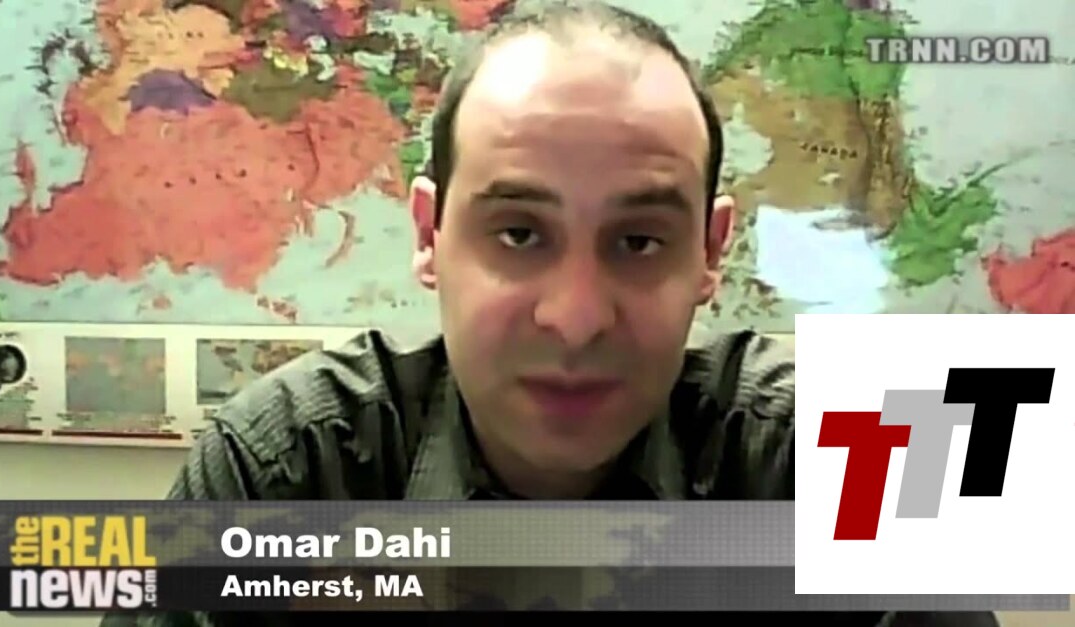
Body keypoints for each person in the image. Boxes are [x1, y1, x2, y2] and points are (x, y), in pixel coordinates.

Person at [102, 2, 999, 625]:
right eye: (519, 234)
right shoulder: (285, 473)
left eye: (638, 241)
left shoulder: (852, 468)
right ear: (430, 234)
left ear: (709, 252)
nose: (575, 318)